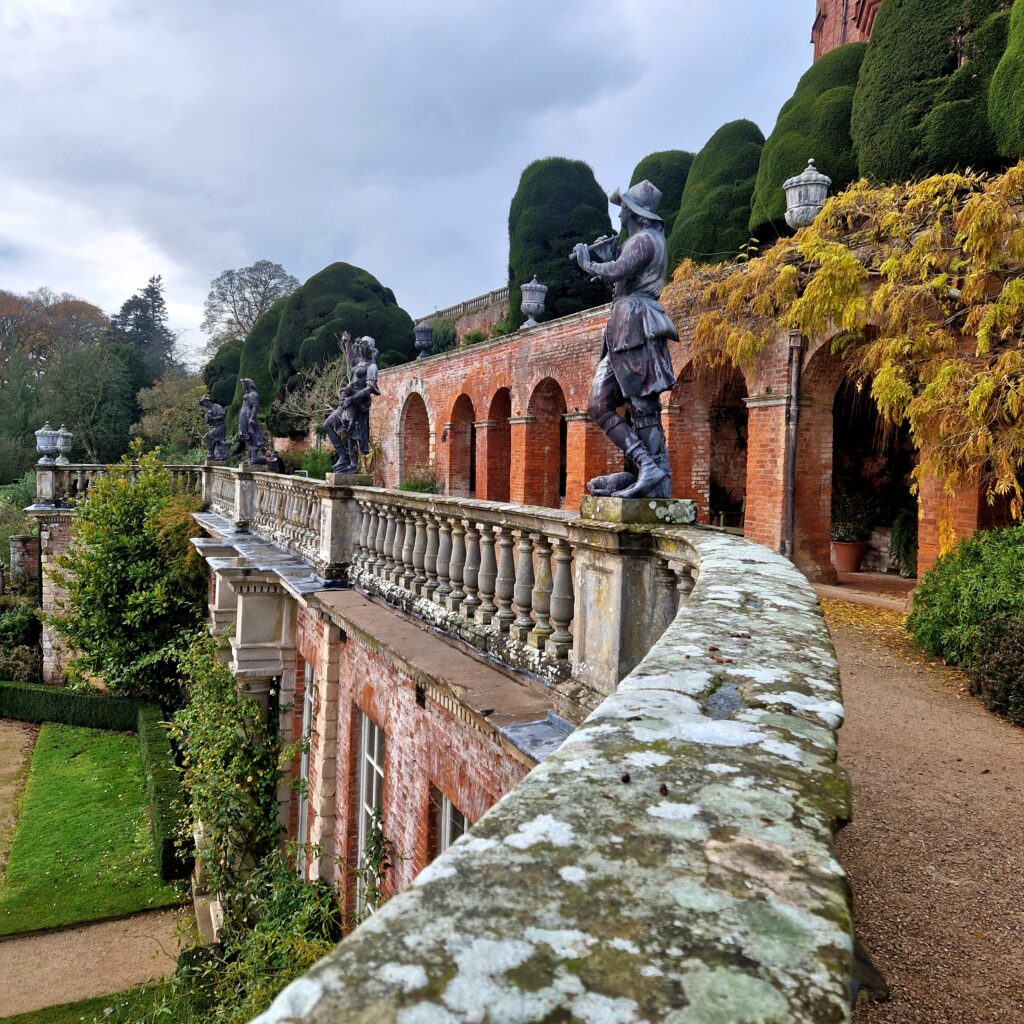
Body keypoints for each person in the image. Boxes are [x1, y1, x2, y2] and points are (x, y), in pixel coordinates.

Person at [572, 179, 679, 499]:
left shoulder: (645, 239)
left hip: (636, 325)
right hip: (626, 324)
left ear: (634, 212)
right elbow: (621, 284)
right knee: (599, 404)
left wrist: (588, 262)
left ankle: (654, 479)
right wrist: (607, 257)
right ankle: (647, 467)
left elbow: (618, 271)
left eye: (623, 210)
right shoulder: (644, 240)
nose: (619, 216)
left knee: (642, 407)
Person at [238, 378, 266, 464]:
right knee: (245, 435)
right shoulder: (248, 394)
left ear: (248, 384)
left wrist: (252, 418)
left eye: (243, 385)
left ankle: (254, 456)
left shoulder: (253, 394)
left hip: (248, 415)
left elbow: (255, 406)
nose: (242, 387)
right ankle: (250, 457)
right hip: (243, 415)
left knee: (251, 434)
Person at [199, 395, 228, 461]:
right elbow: (208, 422)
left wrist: (213, 418)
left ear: (207, 402)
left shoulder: (217, 407)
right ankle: (213, 454)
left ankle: (212, 454)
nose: (204, 406)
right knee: (210, 439)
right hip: (215, 427)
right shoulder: (208, 411)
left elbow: (222, 416)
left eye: (204, 404)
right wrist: (208, 419)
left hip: (220, 427)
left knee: (208, 437)